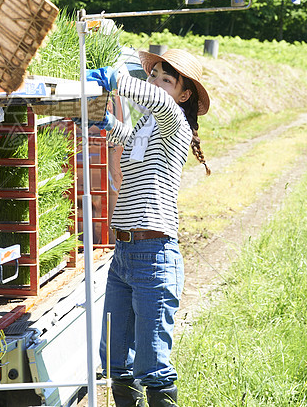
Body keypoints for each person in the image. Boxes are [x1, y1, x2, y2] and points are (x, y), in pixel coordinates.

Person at [87, 48, 211, 407]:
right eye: (153, 74)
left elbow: (155, 100)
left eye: (166, 78)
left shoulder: (174, 120)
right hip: (124, 253)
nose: (155, 81)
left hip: (154, 255)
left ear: (183, 94)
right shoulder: (146, 126)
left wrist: (116, 80)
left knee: (152, 365)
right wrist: (110, 128)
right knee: (114, 359)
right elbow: (131, 146)